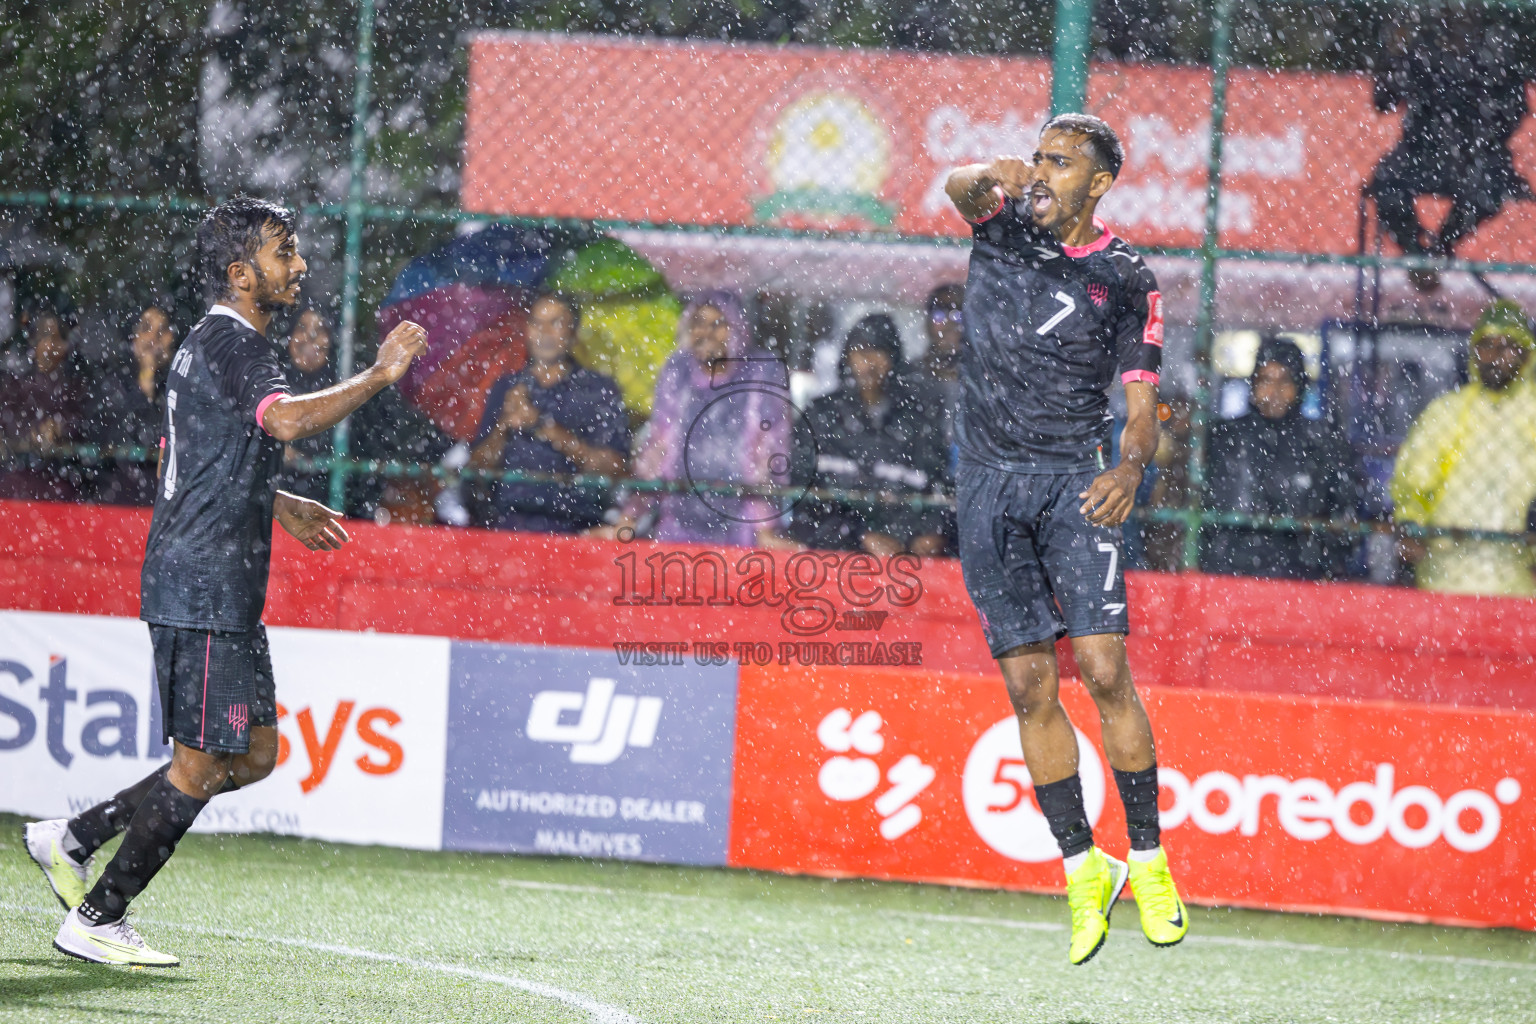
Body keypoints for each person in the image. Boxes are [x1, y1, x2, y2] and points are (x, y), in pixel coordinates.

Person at [24, 195, 427, 967]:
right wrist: (381, 373)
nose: (299, 265)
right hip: (203, 583)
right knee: (203, 764)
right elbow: (280, 422)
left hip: (218, 582)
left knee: (255, 754)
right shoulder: (239, 345)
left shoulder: (206, 343)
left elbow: (201, 462)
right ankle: (99, 917)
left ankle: (72, 837)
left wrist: (277, 502)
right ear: (242, 274)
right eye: (284, 253)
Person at [945, 114, 1186, 964]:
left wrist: (1129, 470)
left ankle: (1152, 861)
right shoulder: (1003, 223)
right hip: (984, 484)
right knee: (1027, 687)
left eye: (1062, 162)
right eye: (1040, 157)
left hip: (1068, 479)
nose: (1044, 172)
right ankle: (1085, 867)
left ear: (1101, 181)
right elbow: (959, 185)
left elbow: (1143, 401)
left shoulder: (1125, 276)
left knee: (1105, 669)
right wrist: (994, 170)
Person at [601, 291, 797, 548]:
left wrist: (765, 529)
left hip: (742, 522)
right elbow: (658, 448)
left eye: (718, 324)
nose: (706, 333)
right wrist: (628, 519)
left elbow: (766, 453)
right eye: (698, 323)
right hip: (679, 520)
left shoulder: (762, 370)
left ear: (737, 329)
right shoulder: (678, 371)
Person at [1369, 8, 1531, 290]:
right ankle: (1417, 256)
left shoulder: (1497, 52)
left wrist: (1480, 138)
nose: (1460, 15)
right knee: (1385, 182)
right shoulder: (1423, 49)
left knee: (1488, 187)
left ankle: (1438, 250)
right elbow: (1383, 100)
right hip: (1423, 152)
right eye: (1453, 9)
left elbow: (1515, 110)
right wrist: (1393, 56)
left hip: (1481, 154)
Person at [1390, 300, 1536, 596]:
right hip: (1445, 576)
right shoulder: (1446, 413)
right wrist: (1411, 525)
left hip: (1520, 583)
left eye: (1508, 345)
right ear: (1474, 352)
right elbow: (1413, 485)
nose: (1496, 355)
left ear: (1526, 354)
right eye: (1487, 345)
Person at [469, 292, 629, 532]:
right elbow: (475, 472)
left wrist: (544, 427)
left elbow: (615, 469)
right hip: (508, 527)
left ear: (573, 333)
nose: (544, 332)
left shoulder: (597, 390)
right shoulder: (506, 386)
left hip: (574, 529)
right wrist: (504, 425)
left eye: (555, 323)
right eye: (536, 323)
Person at [1200, 338, 1357, 580]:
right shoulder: (1225, 437)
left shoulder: (1323, 443)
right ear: (1253, 384)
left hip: (1299, 578)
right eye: (1266, 380)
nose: (1274, 391)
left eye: (1284, 380)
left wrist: (1320, 559)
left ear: (1299, 385)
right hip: (1229, 575)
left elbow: (1346, 517)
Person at [792, 314, 949, 556]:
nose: (869, 363)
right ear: (847, 356)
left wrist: (924, 534)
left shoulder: (918, 420)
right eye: (860, 352)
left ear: (893, 359)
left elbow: (936, 487)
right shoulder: (820, 415)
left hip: (906, 564)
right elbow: (804, 494)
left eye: (879, 352)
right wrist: (857, 534)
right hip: (833, 561)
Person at [88, 302, 179, 506]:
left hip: (163, 501)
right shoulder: (112, 381)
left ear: (171, 339)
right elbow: (111, 438)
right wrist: (145, 383)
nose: (153, 338)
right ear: (134, 337)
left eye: (162, 330)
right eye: (146, 328)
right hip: (116, 498)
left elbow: (165, 437)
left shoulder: (182, 384)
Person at [0, 300, 85, 502]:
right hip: (13, 489)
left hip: (58, 491)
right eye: (44, 336)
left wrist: (60, 429)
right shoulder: (13, 385)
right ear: (33, 342)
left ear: (66, 347)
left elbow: (82, 426)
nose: (49, 346)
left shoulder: (75, 388)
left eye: (57, 338)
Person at [275, 307, 337, 502]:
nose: (309, 337)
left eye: (319, 331)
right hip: (279, 497)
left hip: (329, 498)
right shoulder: (272, 377)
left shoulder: (341, 385)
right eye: (301, 328)